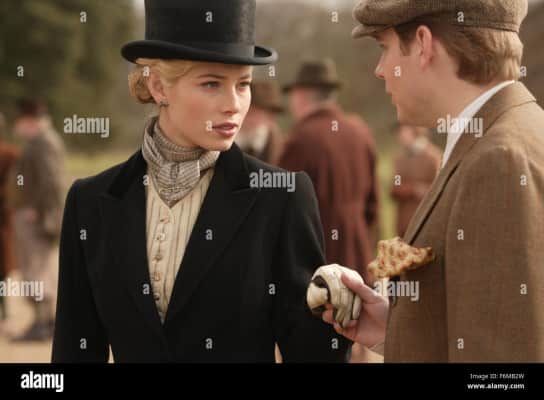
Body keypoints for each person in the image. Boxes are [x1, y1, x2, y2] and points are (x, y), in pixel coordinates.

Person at [52, 0, 349, 363]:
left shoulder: (282, 197)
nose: (234, 104)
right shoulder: (90, 201)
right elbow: (74, 350)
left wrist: (336, 313)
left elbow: (312, 356)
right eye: (211, 83)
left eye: (243, 84)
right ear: (159, 86)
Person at [323, 0, 544, 362]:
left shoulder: (498, 160)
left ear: (423, 44)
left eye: (385, 48)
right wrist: (397, 330)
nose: (380, 70)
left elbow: (500, 372)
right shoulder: (506, 134)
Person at [280, 59, 379, 283]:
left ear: (301, 94)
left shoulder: (301, 138)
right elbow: (373, 206)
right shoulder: (360, 131)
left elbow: (284, 209)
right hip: (359, 259)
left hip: (318, 263)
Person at [8, 99, 65, 342]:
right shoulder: (40, 142)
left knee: (35, 270)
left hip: (36, 217)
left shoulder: (43, 143)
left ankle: (42, 324)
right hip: (34, 215)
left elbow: (50, 182)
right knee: (38, 269)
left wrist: (40, 212)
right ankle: (45, 321)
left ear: (30, 120)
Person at [391, 125, 441, 237]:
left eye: (404, 131)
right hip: (404, 223)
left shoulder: (433, 157)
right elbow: (396, 187)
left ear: (415, 131)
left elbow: (440, 191)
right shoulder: (399, 159)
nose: (400, 136)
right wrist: (413, 189)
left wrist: (423, 190)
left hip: (426, 222)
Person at [0, 112, 19, 335]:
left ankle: (4, 315)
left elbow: (15, 188)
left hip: (2, 221)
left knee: (2, 272)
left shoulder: (9, 155)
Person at [236, 81, 285, 165]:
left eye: (272, 112)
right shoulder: (224, 138)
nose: (270, 118)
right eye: (265, 112)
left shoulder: (275, 142)